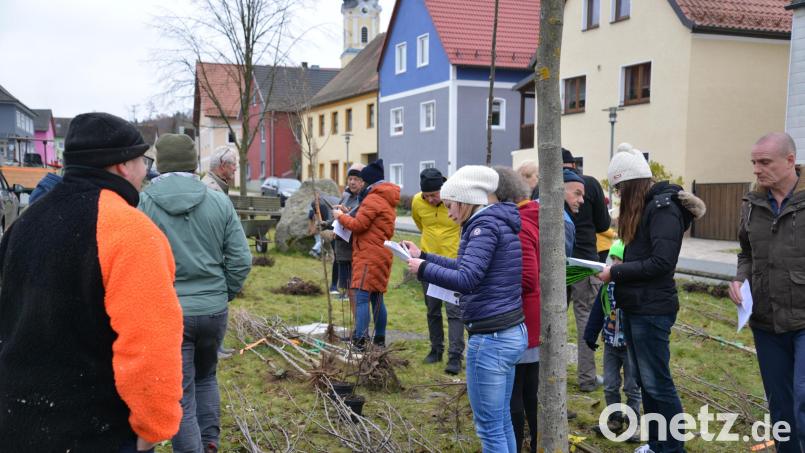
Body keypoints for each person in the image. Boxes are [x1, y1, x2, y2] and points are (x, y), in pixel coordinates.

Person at [0, 112, 183, 452]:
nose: (146, 171)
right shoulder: (132, 233)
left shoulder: (25, 223)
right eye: (142, 160)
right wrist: (152, 428)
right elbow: (150, 343)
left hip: (16, 421)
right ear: (121, 166)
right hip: (95, 431)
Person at [139, 133, 252, 453]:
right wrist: (222, 293)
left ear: (160, 163)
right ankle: (209, 443)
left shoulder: (143, 203)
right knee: (206, 378)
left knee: (182, 394)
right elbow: (241, 260)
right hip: (213, 310)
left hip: (171, 312)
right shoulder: (218, 200)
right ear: (193, 163)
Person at [404, 165, 527, 452]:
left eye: (450, 206)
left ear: (466, 201)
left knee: (489, 427)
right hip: (508, 331)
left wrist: (423, 269)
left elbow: (466, 279)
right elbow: (465, 266)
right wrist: (424, 256)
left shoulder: (482, 228)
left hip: (491, 339)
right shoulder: (494, 224)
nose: (448, 213)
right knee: (502, 422)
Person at [597, 143, 705, 453]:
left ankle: (671, 447)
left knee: (658, 381)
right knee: (646, 381)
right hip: (637, 306)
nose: (618, 196)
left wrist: (615, 273)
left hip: (652, 308)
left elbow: (661, 262)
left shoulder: (663, 210)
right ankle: (658, 443)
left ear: (632, 186)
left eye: (620, 189)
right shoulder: (646, 208)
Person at [728, 132, 805, 453]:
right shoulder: (751, 204)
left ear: (790, 161)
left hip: (803, 319)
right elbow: (745, 253)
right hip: (765, 321)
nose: (757, 170)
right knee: (781, 409)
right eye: (754, 163)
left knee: (803, 399)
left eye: (764, 162)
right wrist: (740, 280)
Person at [494, 166, 541, 453]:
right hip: (528, 316)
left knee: (518, 392)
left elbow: (526, 277)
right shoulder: (529, 217)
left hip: (520, 317)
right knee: (528, 389)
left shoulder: (520, 224)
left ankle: (519, 445)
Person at [333, 159, 399, 349]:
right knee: (377, 298)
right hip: (381, 254)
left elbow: (358, 225)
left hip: (368, 255)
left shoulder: (373, 198)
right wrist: (348, 214)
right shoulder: (384, 198)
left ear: (368, 182)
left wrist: (340, 217)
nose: (359, 184)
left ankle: (360, 340)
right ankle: (379, 339)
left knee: (362, 297)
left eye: (362, 181)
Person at [563, 148, 611, 392]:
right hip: (584, 263)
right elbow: (603, 224)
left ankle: (551, 375)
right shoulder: (590, 184)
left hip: (557, 261)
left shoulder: (545, 188)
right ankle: (587, 378)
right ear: (574, 165)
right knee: (585, 318)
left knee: (553, 318)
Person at [584, 240, 641, 442]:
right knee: (609, 384)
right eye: (613, 259)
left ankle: (634, 426)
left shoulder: (635, 287)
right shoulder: (607, 285)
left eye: (620, 260)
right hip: (610, 343)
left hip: (630, 346)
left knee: (632, 387)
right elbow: (598, 311)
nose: (615, 264)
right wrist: (590, 334)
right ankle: (614, 421)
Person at [412, 167, 464, 374]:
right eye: (427, 195)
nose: (431, 199)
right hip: (427, 263)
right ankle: (435, 350)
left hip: (452, 263)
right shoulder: (417, 202)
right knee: (432, 309)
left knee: (454, 311)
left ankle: (455, 356)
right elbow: (420, 224)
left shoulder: (456, 200)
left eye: (435, 195)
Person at [201, 146, 241, 360]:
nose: (235, 168)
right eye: (233, 164)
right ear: (223, 166)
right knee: (215, 301)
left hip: (216, 253)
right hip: (212, 255)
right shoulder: (211, 189)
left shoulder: (218, 186)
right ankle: (214, 348)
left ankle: (218, 345)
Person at [332, 163, 365, 317]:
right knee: (349, 289)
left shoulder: (364, 199)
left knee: (357, 289)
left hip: (355, 250)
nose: (352, 182)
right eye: (350, 178)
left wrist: (344, 215)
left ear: (363, 182)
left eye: (356, 179)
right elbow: (339, 217)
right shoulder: (345, 196)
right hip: (342, 250)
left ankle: (359, 328)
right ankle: (355, 326)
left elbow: (358, 221)